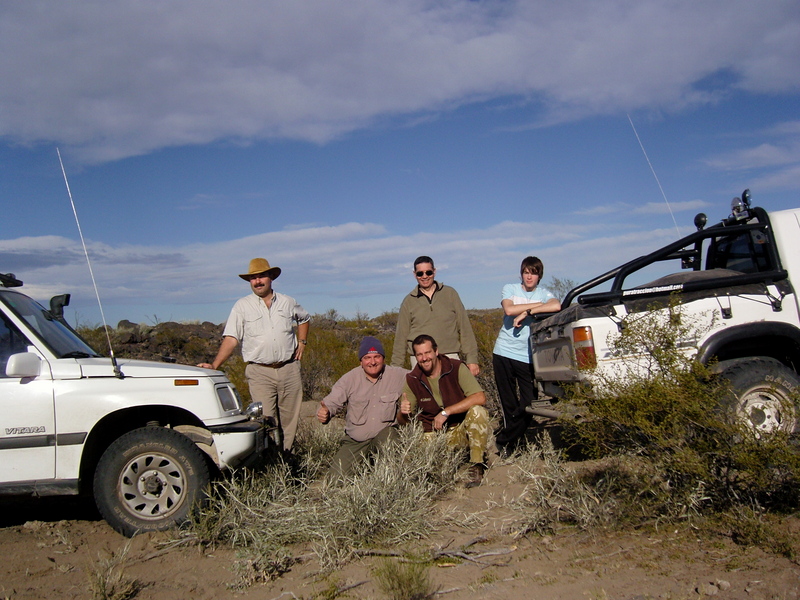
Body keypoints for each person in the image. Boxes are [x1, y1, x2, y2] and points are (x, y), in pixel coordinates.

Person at [198, 258, 310, 452]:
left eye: (261, 276)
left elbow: (305, 318)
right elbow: (232, 338)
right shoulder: (242, 306)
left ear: (271, 278)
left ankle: (287, 462)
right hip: (260, 372)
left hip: (289, 369)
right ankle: (270, 462)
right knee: (265, 420)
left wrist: (302, 342)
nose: (258, 281)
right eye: (253, 278)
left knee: (290, 420)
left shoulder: (287, 302)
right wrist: (215, 365)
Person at [400, 334, 490, 487]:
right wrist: (403, 412)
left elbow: (479, 397)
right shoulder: (412, 379)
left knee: (477, 411)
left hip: (459, 431)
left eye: (427, 352)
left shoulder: (455, 367)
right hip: (432, 435)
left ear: (436, 351)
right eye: (419, 355)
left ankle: (476, 465)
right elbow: (405, 422)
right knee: (414, 458)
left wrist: (446, 412)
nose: (424, 358)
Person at [492, 256, 561, 454]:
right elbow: (509, 309)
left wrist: (528, 312)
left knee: (529, 404)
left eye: (534, 272)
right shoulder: (510, 289)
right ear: (521, 273)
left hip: (527, 357)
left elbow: (556, 306)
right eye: (526, 272)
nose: (529, 276)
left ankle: (504, 439)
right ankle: (511, 447)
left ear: (540, 275)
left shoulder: (544, 293)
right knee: (509, 404)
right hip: (503, 352)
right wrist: (538, 306)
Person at [316, 336, 408, 481]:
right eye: (367, 357)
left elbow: (420, 378)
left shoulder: (397, 375)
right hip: (356, 440)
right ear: (361, 361)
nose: (372, 362)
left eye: (377, 357)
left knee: (393, 471)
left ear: (383, 358)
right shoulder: (349, 378)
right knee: (335, 480)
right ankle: (366, 465)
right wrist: (326, 412)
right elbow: (333, 400)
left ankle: (387, 475)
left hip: (384, 434)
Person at [391, 256, 480, 376]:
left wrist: (472, 359)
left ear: (434, 271)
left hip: (450, 356)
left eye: (428, 272)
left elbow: (464, 327)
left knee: (456, 394)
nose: (424, 276)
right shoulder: (408, 301)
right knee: (424, 395)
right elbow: (401, 337)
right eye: (420, 273)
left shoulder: (450, 294)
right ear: (414, 274)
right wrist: (396, 370)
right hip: (420, 360)